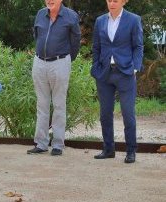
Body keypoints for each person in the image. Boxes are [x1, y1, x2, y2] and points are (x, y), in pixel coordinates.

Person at [91, 0, 143, 164]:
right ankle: (108, 149)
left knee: (128, 114)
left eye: (116, 0)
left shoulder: (133, 19)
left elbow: (138, 46)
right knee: (105, 114)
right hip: (104, 73)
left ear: (123, 1)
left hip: (125, 72)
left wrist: (135, 68)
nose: (112, 3)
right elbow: (96, 47)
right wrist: (96, 67)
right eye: (109, 0)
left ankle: (131, 151)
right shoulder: (100, 21)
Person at [27, 0, 81, 156]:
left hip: (60, 62)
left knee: (59, 104)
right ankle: (41, 143)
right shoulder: (39, 14)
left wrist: (66, 60)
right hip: (39, 62)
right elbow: (36, 36)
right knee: (41, 104)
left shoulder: (71, 16)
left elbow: (75, 41)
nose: (50, 1)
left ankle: (58, 144)